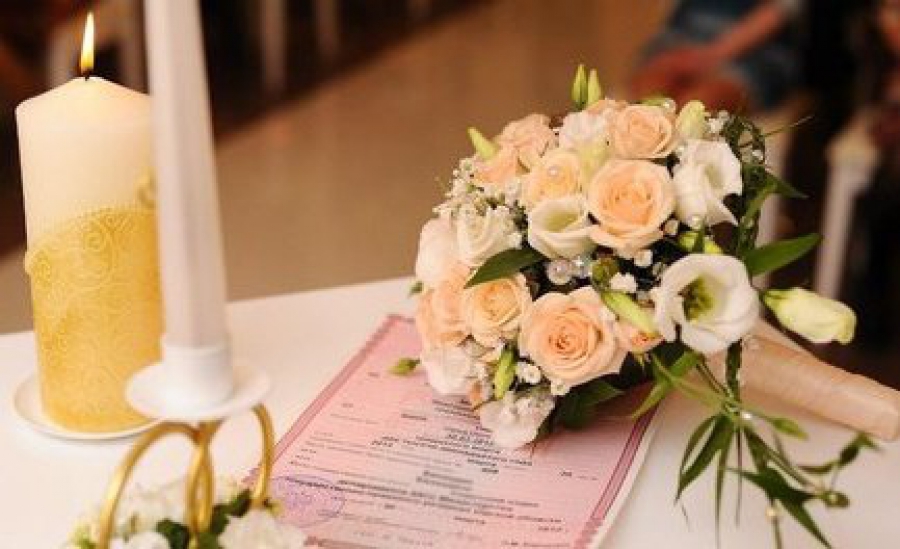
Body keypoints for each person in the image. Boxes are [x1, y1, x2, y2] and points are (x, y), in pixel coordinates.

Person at [631, 0, 803, 112]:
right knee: (649, 99)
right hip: (685, 35)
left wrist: (711, 55)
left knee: (698, 105)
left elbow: (782, 10)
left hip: (758, 48)